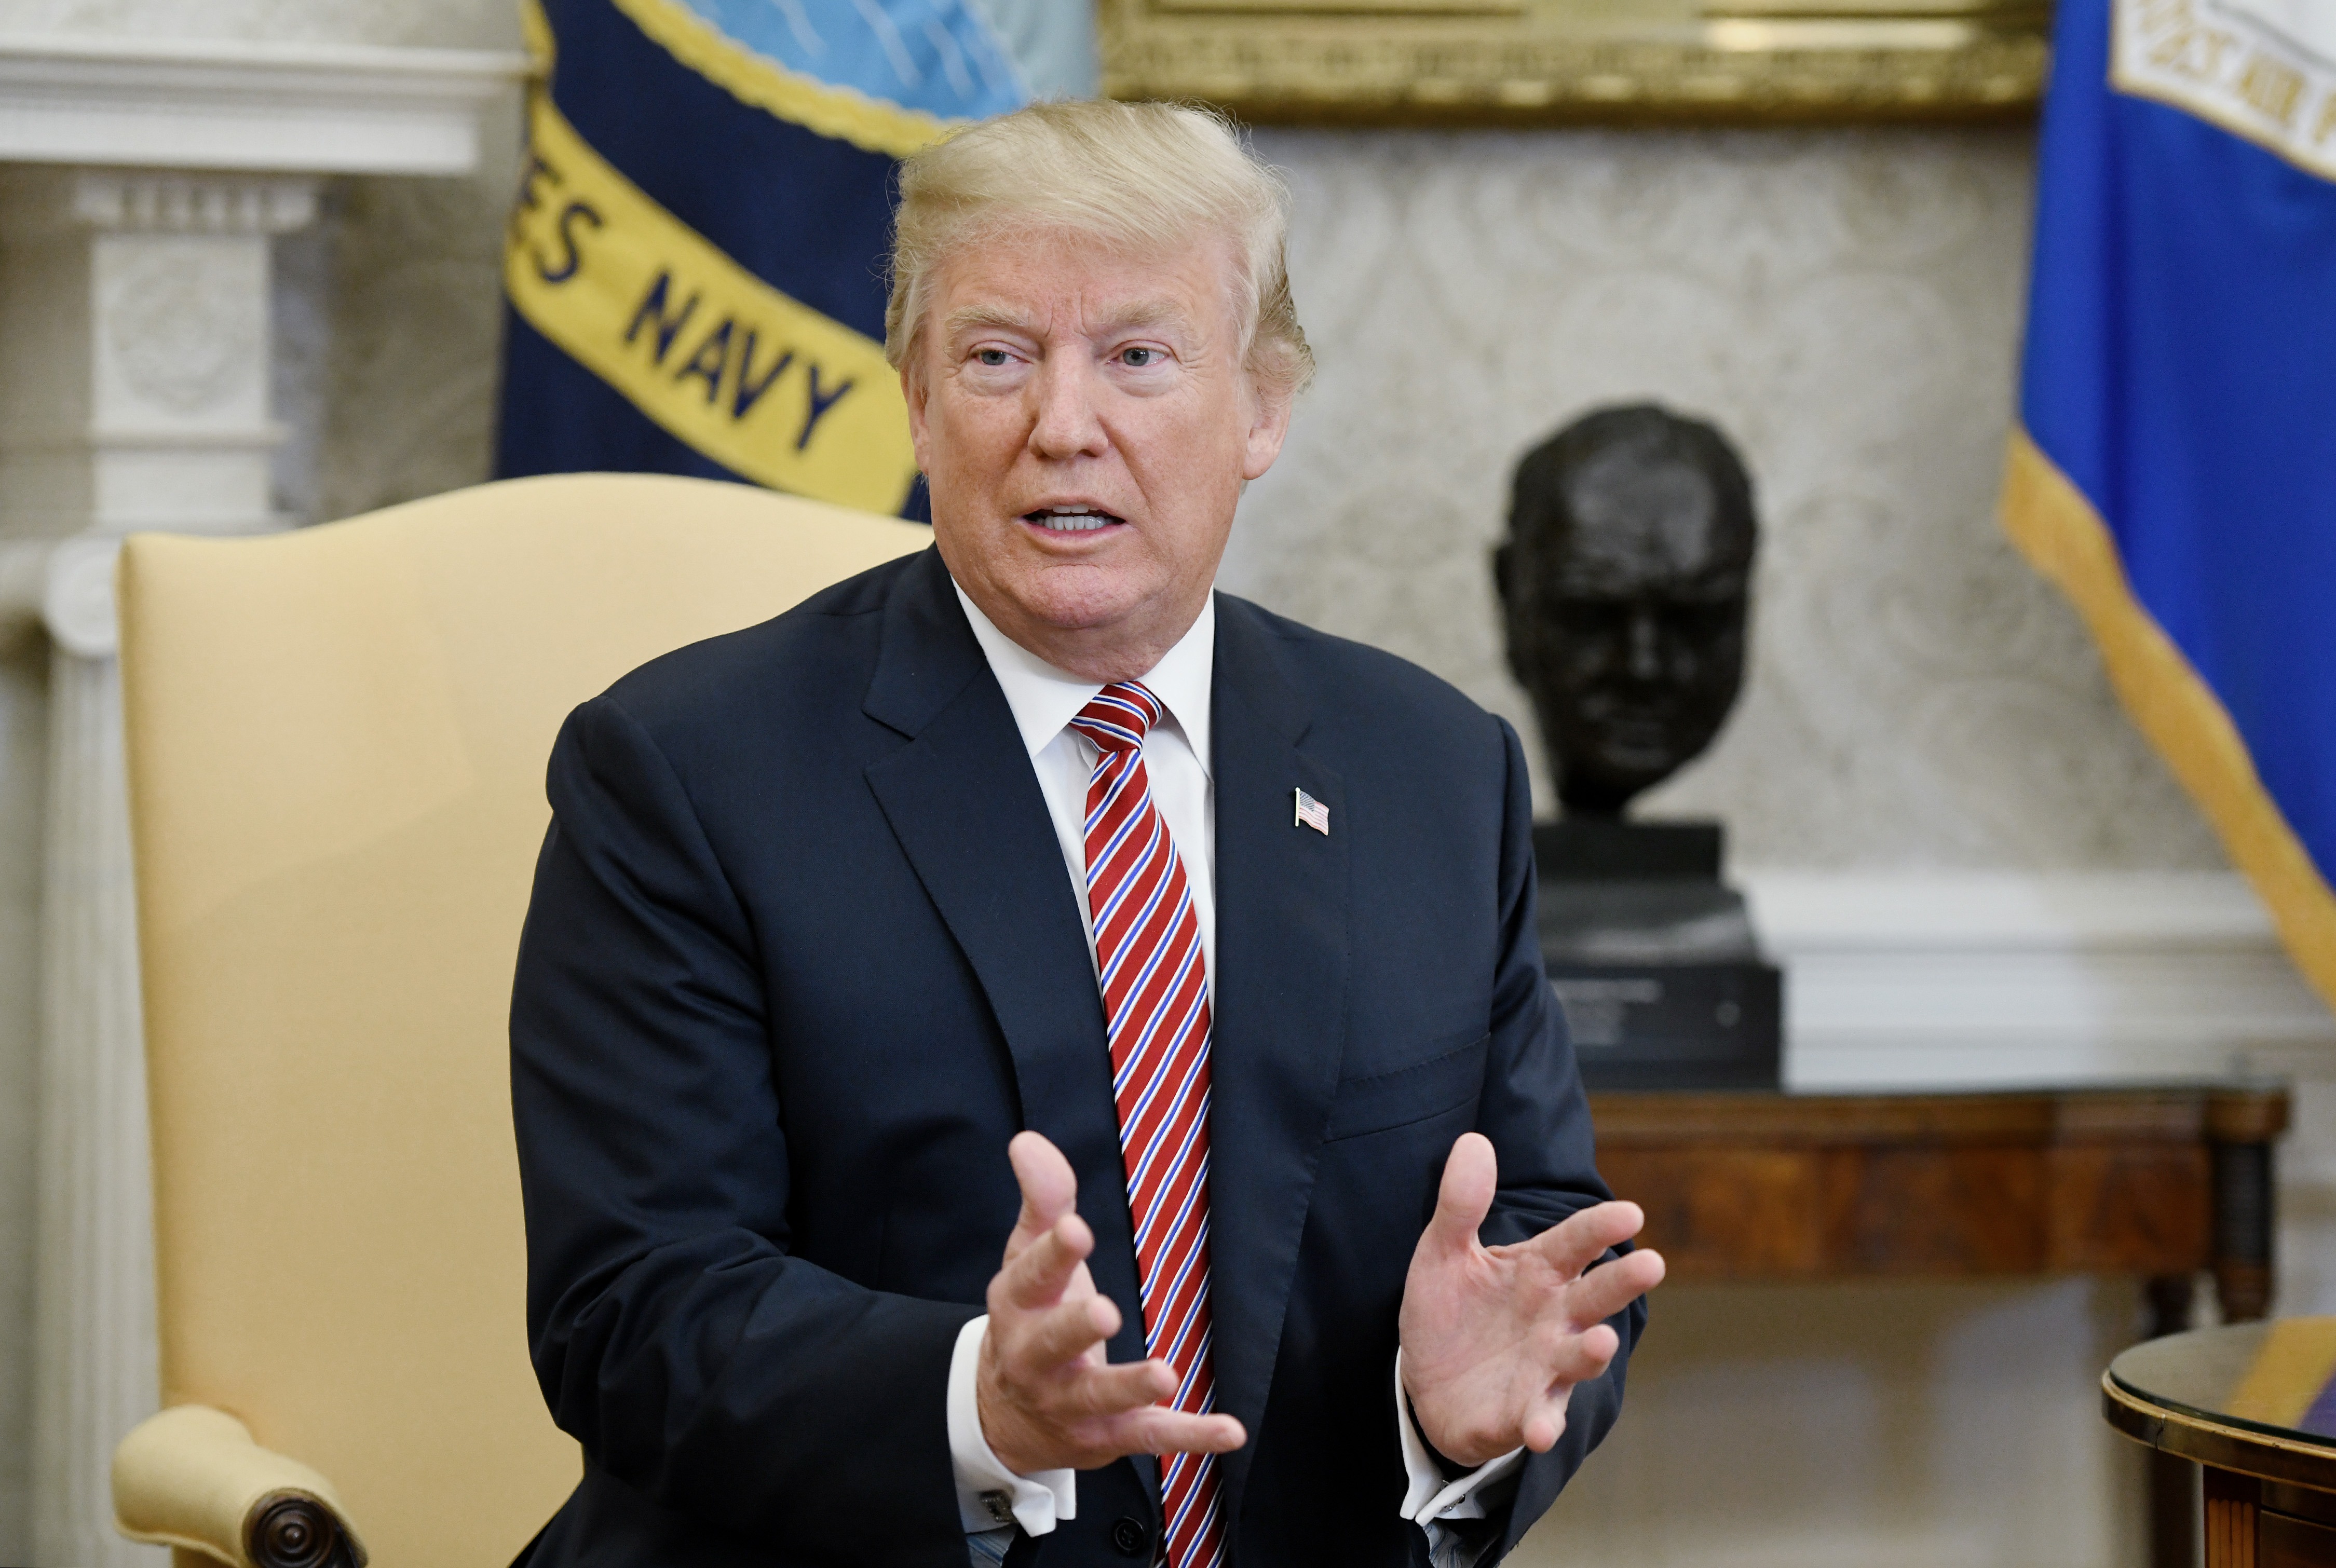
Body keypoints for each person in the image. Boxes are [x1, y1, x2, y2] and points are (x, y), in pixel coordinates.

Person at [509, 99, 1662, 1568]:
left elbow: (1539, 1241)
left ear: (1261, 407)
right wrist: (970, 1407)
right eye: (996, 358)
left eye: (1135, 356)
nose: (1064, 425)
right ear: (918, 404)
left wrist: (1445, 1419)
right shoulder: (680, 773)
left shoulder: (1432, 770)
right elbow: (630, 1307)